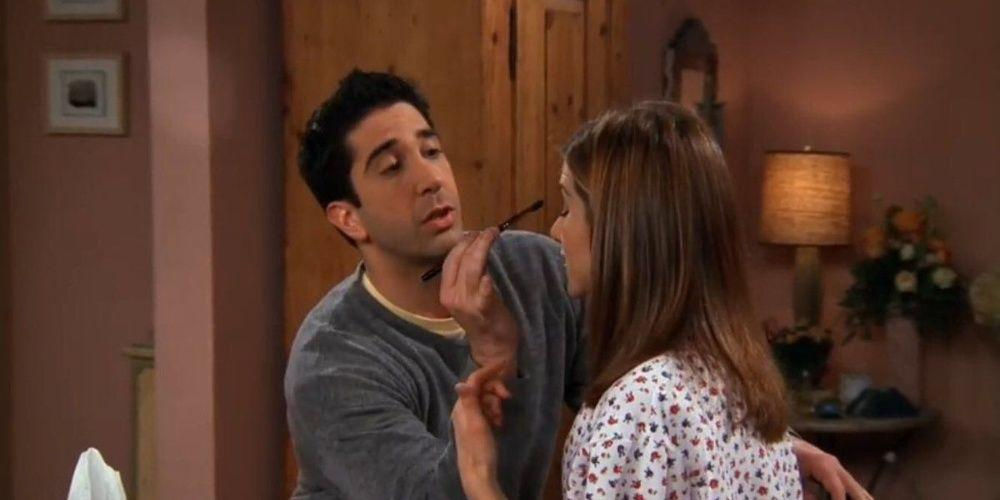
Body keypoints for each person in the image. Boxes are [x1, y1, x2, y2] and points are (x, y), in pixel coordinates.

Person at [286, 69, 869, 500]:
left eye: (431, 150)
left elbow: (649, 372)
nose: (430, 179)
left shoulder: (536, 269)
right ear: (349, 219)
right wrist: (496, 359)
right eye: (393, 167)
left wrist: (771, 445)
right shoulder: (333, 365)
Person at [452, 102, 874, 500]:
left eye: (568, 207)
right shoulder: (738, 384)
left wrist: (480, 479)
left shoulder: (637, 408)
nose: (556, 230)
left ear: (621, 229)